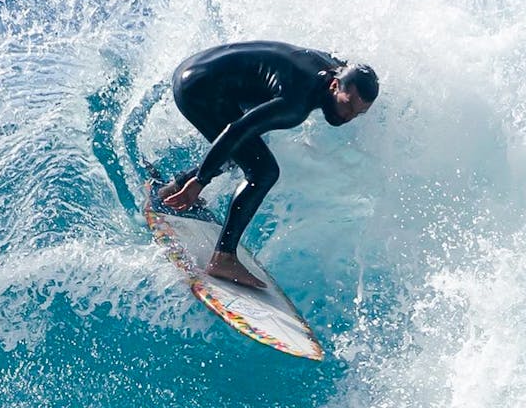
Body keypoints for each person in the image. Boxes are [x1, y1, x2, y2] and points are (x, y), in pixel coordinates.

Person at [159, 41, 379, 289]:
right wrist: (201, 180)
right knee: (263, 171)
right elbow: (237, 130)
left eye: (357, 113)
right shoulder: (296, 103)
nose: (347, 117)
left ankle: (173, 188)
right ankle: (223, 258)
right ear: (334, 85)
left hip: (197, 70)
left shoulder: (334, 70)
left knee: (244, 153)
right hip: (198, 90)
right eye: (347, 104)